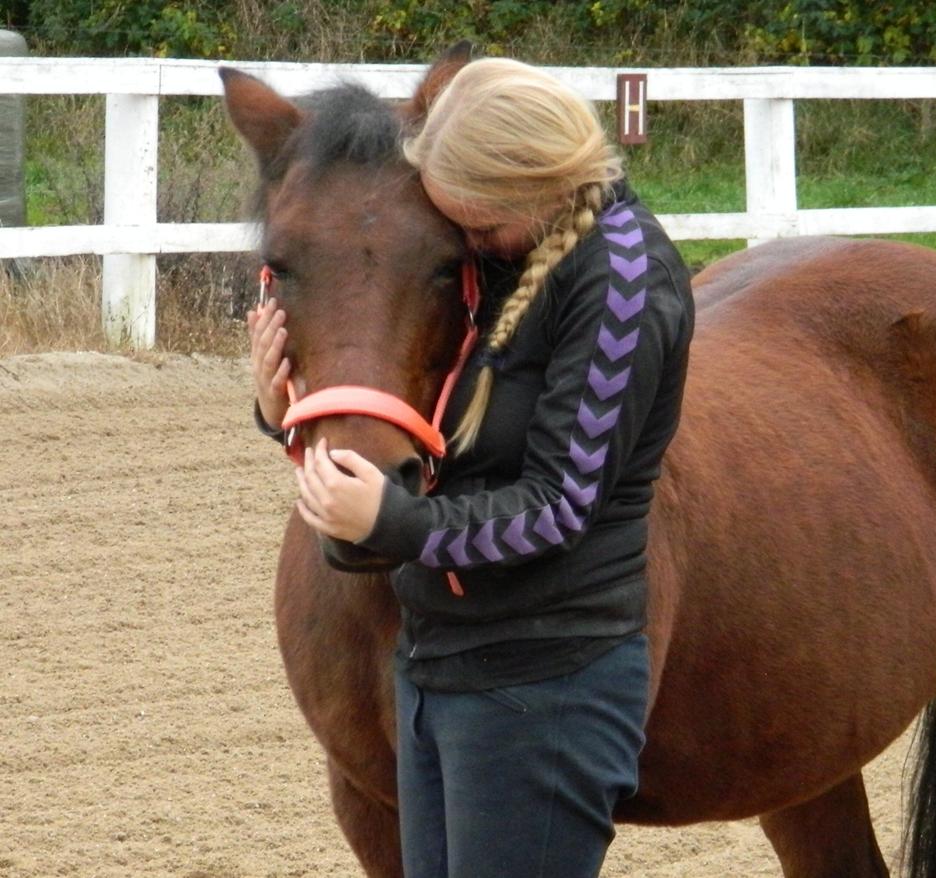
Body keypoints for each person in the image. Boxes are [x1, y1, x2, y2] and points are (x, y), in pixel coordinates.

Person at [247, 56, 695, 878]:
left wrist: (391, 523)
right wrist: (286, 421)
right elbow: (417, 405)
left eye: (481, 230)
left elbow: (561, 507)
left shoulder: (620, 284)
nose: (477, 252)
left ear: (533, 183)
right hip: (443, 655)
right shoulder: (514, 250)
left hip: (545, 673)